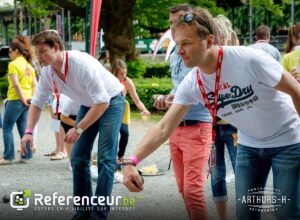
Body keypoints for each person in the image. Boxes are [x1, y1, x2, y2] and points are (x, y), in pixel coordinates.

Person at [123, 7, 300, 220]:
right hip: (249, 145)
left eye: (186, 43)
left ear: (208, 41)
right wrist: (132, 161)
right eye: (178, 44)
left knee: (287, 212)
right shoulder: (193, 82)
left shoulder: (250, 59)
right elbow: (163, 127)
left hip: (288, 140)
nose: (180, 51)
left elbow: (296, 91)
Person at [20, 30, 125, 220]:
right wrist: (28, 132)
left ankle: (99, 214)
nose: (39, 57)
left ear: (56, 47)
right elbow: (36, 104)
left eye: (43, 51)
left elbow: (102, 102)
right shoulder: (47, 72)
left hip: (111, 101)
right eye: (37, 53)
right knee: (77, 158)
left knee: (105, 158)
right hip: (88, 105)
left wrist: (78, 128)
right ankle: (83, 212)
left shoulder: (81, 63)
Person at [153, 4, 212, 220]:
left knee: (193, 191)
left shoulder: (197, 49)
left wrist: (175, 98)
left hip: (197, 125)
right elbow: (179, 86)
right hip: (176, 127)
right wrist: (165, 98)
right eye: (170, 23)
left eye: (177, 21)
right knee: (182, 189)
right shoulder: (176, 54)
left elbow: (204, 85)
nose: (173, 26)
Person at [211, 14, 238, 220]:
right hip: (212, 127)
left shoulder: (236, 57)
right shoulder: (207, 60)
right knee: (216, 173)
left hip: (235, 126)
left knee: (242, 172)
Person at [0, 36, 37, 165]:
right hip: (28, 99)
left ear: (16, 51)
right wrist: (31, 99)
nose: (9, 54)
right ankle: (26, 155)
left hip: (16, 99)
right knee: (23, 128)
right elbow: (34, 85)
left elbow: (16, 84)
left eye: (10, 51)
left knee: (6, 128)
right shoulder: (29, 66)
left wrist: (21, 98)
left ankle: (8, 156)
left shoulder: (13, 64)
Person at [111, 59, 150, 163]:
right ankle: (111, 157)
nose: (124, 75)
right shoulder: (109, 80)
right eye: (121, 73)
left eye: (125, 73)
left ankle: (120, 156)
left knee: (125, 133)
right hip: (109, 110)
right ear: (114, 72)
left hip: (121, 109)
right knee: (112, 134)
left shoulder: (127, 81)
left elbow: (137, 100)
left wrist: (144, 109)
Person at [60, 95, 80, 170]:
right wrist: (78, 126)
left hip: (82, 117)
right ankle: (71, 160)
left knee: (82, 137)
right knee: (70, 139)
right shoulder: (70, 101)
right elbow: (63, 117)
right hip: (67, 118)